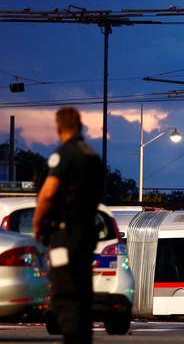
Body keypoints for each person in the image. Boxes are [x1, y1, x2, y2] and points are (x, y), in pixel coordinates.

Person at [33, 106, 103, 344]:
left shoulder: (65, 154)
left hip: (66, 234)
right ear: (80, 125)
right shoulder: (92, 155)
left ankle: (73, 339)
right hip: (86, 233)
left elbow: (48, 194)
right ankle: (83, 339)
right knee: (83, 292)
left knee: (65, 291)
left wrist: (37, 223)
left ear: (59, 127)